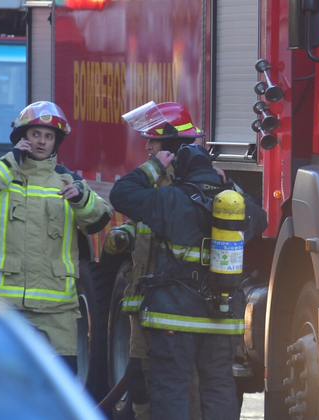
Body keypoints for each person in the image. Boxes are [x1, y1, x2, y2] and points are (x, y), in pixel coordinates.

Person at [110, 143, 267, 420]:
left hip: (174, 316)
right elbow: (261, 219)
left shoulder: (170, 198)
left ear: (180, 171)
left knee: (171, 388)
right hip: (222, 314)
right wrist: (229, 183)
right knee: (219, 387)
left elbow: (121, 195)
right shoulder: (232, 203)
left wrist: (154, 166)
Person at [0, 101, 112, 373]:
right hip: (2, 307)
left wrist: (81, 199)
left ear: (56, 142)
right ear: (22, 138)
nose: (41, 142)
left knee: (56, 387)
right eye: (35, 134)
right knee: (2, 384)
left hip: (56, 310)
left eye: (48, 136)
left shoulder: (68, 182)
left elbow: (100, 220)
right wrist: (10, 161)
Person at [102, 102, 208, 420]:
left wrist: (153, 168)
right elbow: (147, 224)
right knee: (138, 379)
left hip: (172, 305)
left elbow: (123, 195)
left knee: (178, 385)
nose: (148, 147)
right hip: (142, 301)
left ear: (172, 146)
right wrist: (128, 234)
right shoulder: (158, 185)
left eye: (154, 141)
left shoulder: (187, 187)